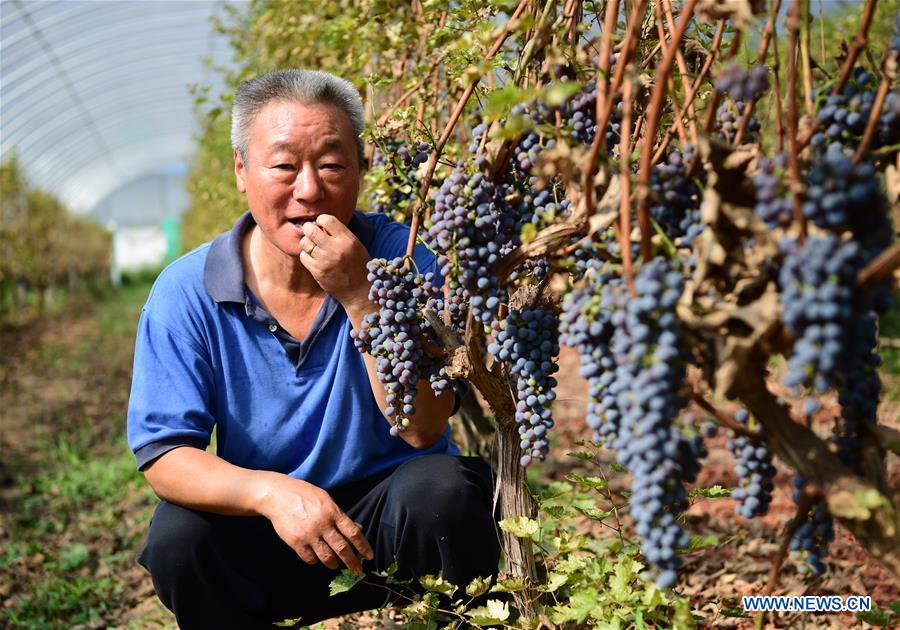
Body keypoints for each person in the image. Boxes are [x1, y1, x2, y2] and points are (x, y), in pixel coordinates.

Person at [126, 69, 501, 629]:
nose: (309, 190)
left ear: (361, 169)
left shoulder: (404, 261)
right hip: (272, 532)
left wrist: (360, 296)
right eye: (283, 166)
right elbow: (166, 455)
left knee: (445, 492)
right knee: (180, 538)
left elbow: (423, 429)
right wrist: (272, 494)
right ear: (241, 170)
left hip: (392, 522)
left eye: (331, 166)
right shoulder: (187, 292)